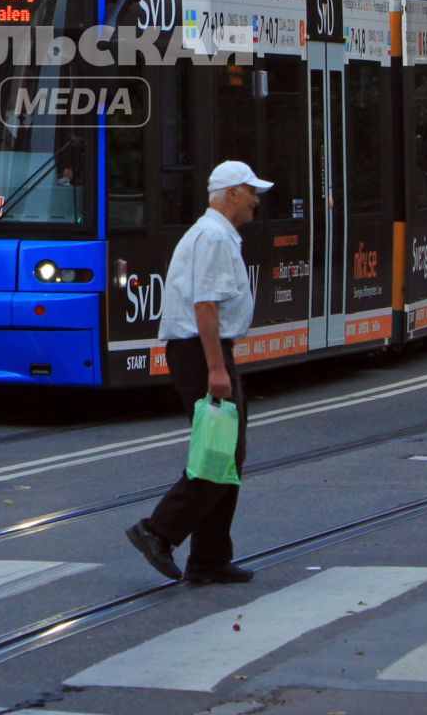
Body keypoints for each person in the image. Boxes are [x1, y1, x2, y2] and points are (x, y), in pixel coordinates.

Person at [126, 160, 271, 586]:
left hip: (205, 349)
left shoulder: (217, 233)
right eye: (251, 191)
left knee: (227, 452)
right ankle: (157, 532)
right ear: (231, 194)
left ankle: (209, 557)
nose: (256, 201)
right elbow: (204, 305)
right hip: (200, 350)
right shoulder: (213, 236)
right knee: (221, 452)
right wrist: (216, 368)